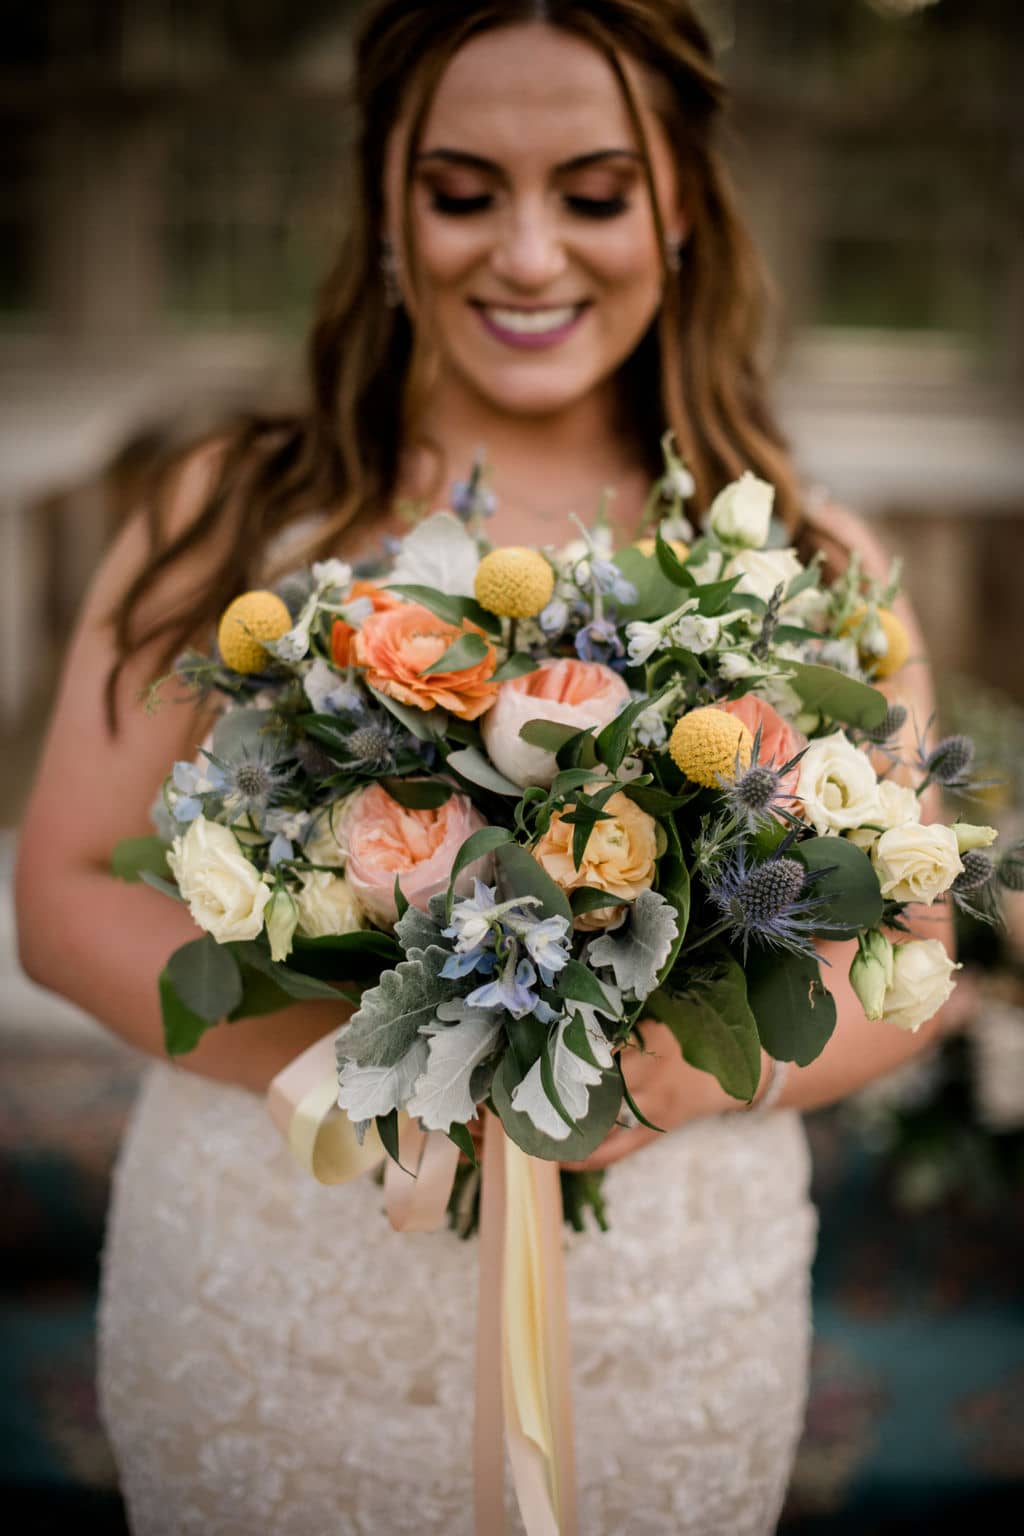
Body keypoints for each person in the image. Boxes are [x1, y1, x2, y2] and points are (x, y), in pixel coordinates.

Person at [15, 2, 955, 1531]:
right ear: (387, 209)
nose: (527, 256)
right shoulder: (228, 509)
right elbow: (59, 896)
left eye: (591, 193)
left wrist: (666, 1085)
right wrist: (387, 1076)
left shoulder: (808, 558)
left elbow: (918, 952)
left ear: (681, 213)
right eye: (464, 192)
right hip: (278, 1278)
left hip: (663, 1309)